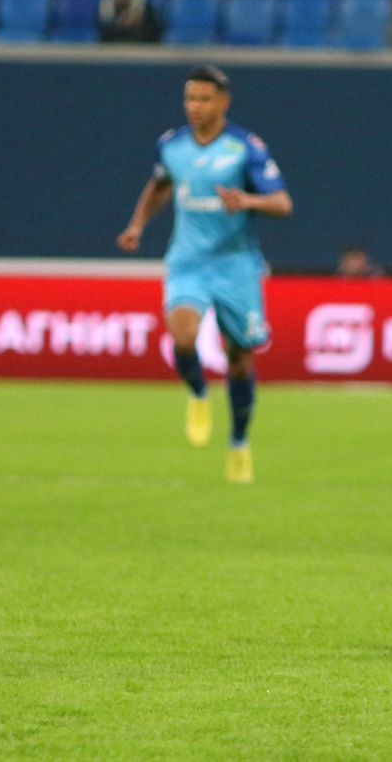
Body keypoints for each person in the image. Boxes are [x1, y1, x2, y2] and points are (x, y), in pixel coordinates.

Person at [116, 65, 292, 484]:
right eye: (190, 98)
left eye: (204, 99)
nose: (195, 106)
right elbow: (160, 185)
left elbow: (283, 203)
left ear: (223, 102)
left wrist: (248, 200)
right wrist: (137, 224)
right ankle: (198, 394)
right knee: (182, 335)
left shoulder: (244, 148)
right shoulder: (172, 145)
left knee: (239, 359)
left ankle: (238, 442)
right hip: (188, 261)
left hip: (236, 265)